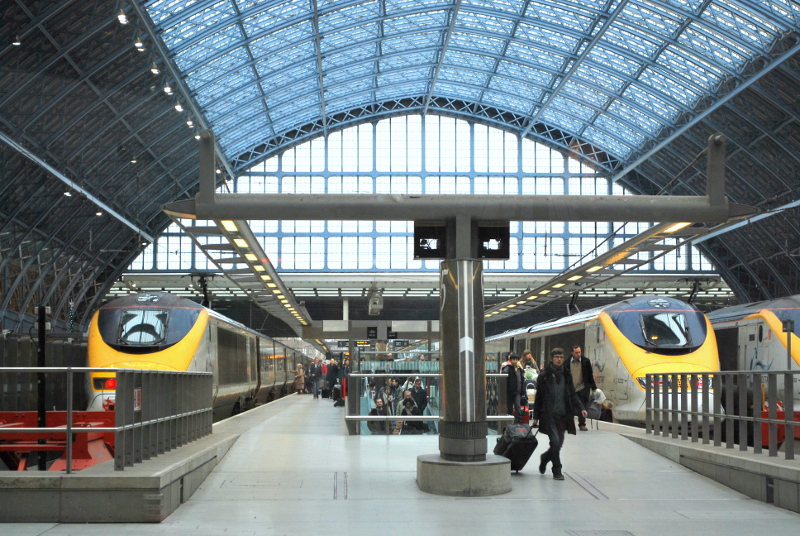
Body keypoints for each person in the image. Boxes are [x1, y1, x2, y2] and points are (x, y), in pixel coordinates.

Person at [532, 348, 587, 480]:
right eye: (557, 357)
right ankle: (557, 470)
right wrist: (535, 417)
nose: (559, 359)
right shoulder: (544, 376)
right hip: (549, 415)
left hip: (563, 415)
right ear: (551, 359)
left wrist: (581, 408)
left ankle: (545, 458)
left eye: (561, 357)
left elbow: (572, 394)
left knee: (558, 444)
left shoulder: (566, 375)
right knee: (555, 443)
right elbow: (539, 397)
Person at [568, 345, 597, 431]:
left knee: (582, 407)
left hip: (582, 388)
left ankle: (582, 424)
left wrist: (593, 387)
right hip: (571, 389)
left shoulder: (586, 362)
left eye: (579, 352)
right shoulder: (567, 362)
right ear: (572, 353)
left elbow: (590, 375)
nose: (579, 354)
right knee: (570, 407)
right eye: (576, 352)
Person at [501, 353, 523, 421]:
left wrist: (522, 391)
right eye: (513, 359)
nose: (515, 361)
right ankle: (510, 421)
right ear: (510, 360)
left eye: (516, 360)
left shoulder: (519, 369)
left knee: (517, 407)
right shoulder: (507, 368)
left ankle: (518, 421)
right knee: (510, 408)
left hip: (517, 391)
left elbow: (521, 381)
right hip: (510, 391)